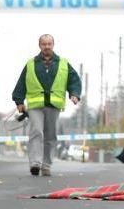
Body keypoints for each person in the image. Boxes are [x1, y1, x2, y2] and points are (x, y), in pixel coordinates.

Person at [12, 34, 82, 176]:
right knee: (37, 131)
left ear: (53, 45)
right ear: (40, 46)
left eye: (49, 44)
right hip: (35, 105)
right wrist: (19, 101)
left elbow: (73, 80)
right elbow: (21, 83)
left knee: (51, 135)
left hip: (53, 105)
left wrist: (74, 94)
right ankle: (35, 163)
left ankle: (46, 165)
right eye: (44, 44)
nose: (47, 47)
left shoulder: (63, 63)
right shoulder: (31, 64)